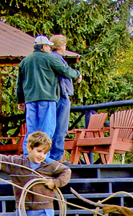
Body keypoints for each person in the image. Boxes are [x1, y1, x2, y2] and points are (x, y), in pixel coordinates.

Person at [16, 36, 81, 156]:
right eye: (48, 46)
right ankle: (45, 157)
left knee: (31, 130)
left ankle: (27, 155)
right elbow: (65, 70)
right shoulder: (49, 58)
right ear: (44, 46)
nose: (50, 48)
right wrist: (77, 74)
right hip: (47, 99)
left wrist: (20, 100)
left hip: (30, 101)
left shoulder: (25, 61)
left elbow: (19, 83)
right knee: (47, 130)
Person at [49, 34, 82, 162]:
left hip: (54, 96)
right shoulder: (56, 58)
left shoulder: (51, 57)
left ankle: (53, 155)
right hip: (61, 96)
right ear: (62, 46)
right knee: (60, 128)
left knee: (53, 126)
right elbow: (65, 71)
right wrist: (77, 75)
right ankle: (56, 156)